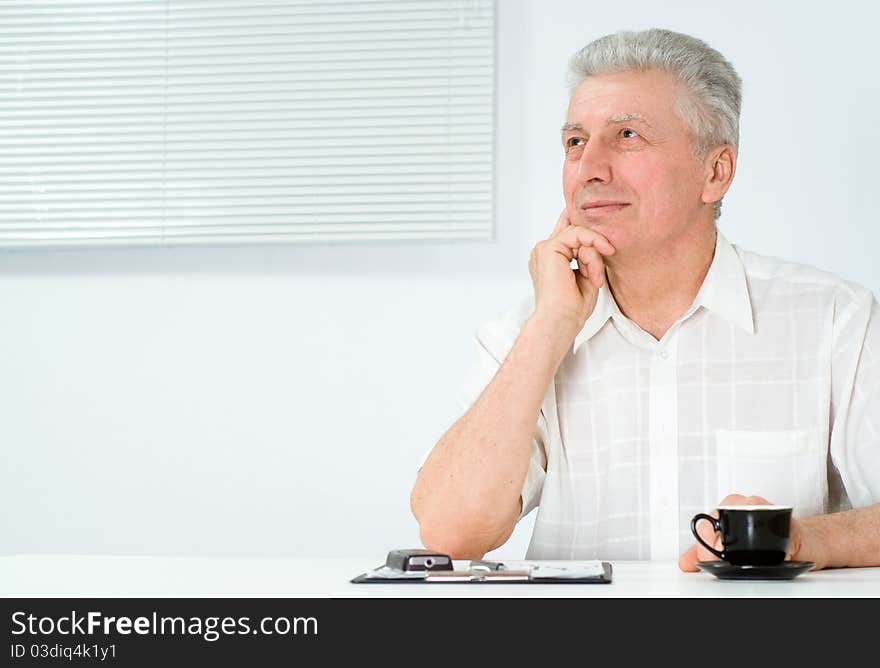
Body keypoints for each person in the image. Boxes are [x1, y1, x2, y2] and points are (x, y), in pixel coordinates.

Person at [409, 28, 880, 571]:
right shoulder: (528, 332)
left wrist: (809, 541)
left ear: (715, 172)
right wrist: (551, 325)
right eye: (575, 142)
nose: (589, 169)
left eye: (627, 135)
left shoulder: (834, 320)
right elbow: (449, 533)